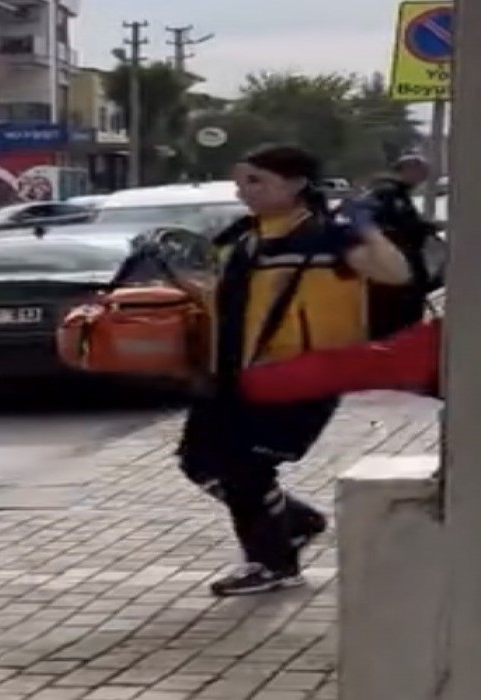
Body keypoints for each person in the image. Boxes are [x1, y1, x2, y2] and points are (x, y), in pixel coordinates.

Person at [178, 144, 412, 597]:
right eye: (241, 181)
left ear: (296, 184)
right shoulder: (243, 238)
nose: (243, 191)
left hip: (300, 375)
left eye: (255, 181)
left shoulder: (326, 238)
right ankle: (293, 521)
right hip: (233, 373)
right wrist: (175, 277)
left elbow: (396, 273)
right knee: (199, 461)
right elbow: (225, 304)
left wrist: (366, 230)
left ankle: (272, 561)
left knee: (246, 470)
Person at [355, 154, 443, 339]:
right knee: (397, 328)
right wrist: (423, 228)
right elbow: (395, 228)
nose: (422, 179)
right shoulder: (388, 193)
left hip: (397, 272)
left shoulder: (395, 193)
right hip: (395, 274)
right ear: (407, 171)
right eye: (421, 173)